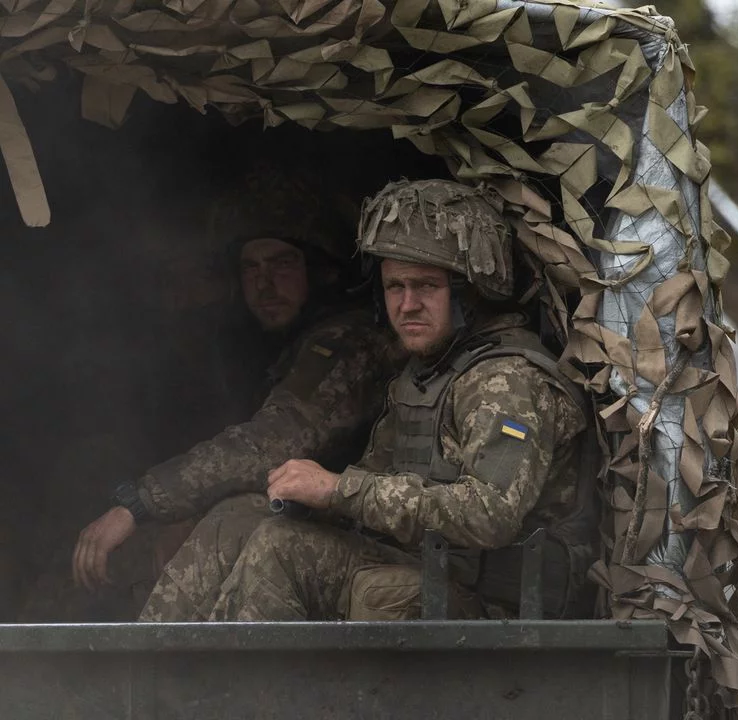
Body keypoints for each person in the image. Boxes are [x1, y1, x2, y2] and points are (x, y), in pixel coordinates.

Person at [149, 178, 598, 622]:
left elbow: (490, 513)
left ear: (469, 292)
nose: (407, 305)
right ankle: (143, 679)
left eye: (426, 286)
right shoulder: (425, 374)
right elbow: (376, 484)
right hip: (431, 572)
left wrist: (339, 489)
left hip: (501, 607)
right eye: (394, 287)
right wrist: (318, 501)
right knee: (237, 517)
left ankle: (245, 694)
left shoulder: (506, 379)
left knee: (282, 550)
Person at [71, 168, 399, 621]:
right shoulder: (269, 348)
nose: (264, 285)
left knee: (225, 522)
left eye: (282, 264)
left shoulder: (346, 341)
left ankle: (151, 685)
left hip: (357, 541)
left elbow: (273, 442)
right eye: (251, 268)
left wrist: (140, 502)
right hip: (310, 530)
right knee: (100, 564)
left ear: (322, 272)